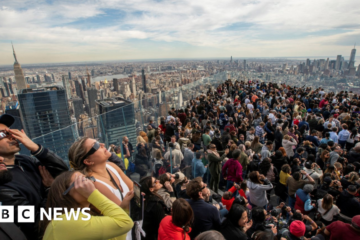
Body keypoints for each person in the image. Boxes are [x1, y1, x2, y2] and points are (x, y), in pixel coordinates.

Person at [0, 114, 68, 240]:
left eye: (10, 131)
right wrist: (49, 190)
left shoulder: (25, 161)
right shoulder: (3, 184)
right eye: (2, 135)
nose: (11, 136)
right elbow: (36, 224)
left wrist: (35, 148)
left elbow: (62, 172)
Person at [68, 137, 135, 240]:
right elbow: (122, 212)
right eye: (95, 146)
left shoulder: (111, 166)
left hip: (130, 231)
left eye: (98, 142)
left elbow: (132, 187)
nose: (102, 144)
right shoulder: (93, 183)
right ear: (88, 161)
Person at [42, 171, 134, 240]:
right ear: (65, 193)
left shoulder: (85, 216)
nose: (90, 183)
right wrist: (93, 194)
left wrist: (123, 209)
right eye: (82, 182)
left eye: (89, 179)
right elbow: (125, 223)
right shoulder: (64, 221)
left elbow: (117, 235)